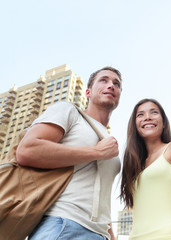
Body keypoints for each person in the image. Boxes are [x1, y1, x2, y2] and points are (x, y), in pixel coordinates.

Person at [16, 66, 122, 240]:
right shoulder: (69, 111)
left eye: (116, 83)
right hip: (63, 224)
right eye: (104, 80)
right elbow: (27, 150)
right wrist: (96, 152)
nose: (111, 85)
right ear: (88, 92)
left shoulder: (109, 142)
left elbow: (100, 195)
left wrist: (111, 235)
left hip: (100, 234)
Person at [120, 98, 171, 240]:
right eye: (140, 115)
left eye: (154, 112)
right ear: (134, 125)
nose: (147, 117)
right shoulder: (133, 166)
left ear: (164, 123)